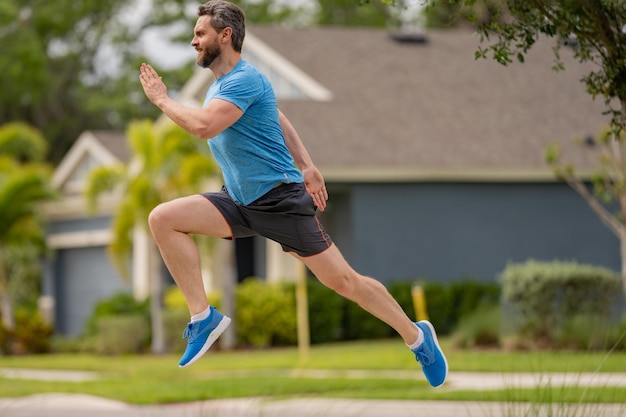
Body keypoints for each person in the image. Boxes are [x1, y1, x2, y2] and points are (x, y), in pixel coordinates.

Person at [139, 0, 447, 387]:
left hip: (279, 201)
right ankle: (202, 318)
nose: (193, 41)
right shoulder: (221, 86)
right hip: (238, 200)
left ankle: (418, 338)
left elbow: (204, 128)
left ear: (225, 35)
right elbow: (277, 117)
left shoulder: (244, 80)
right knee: (163, 219)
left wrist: (162, 100)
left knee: (345, 283)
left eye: (200, 33)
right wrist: (308, 164)